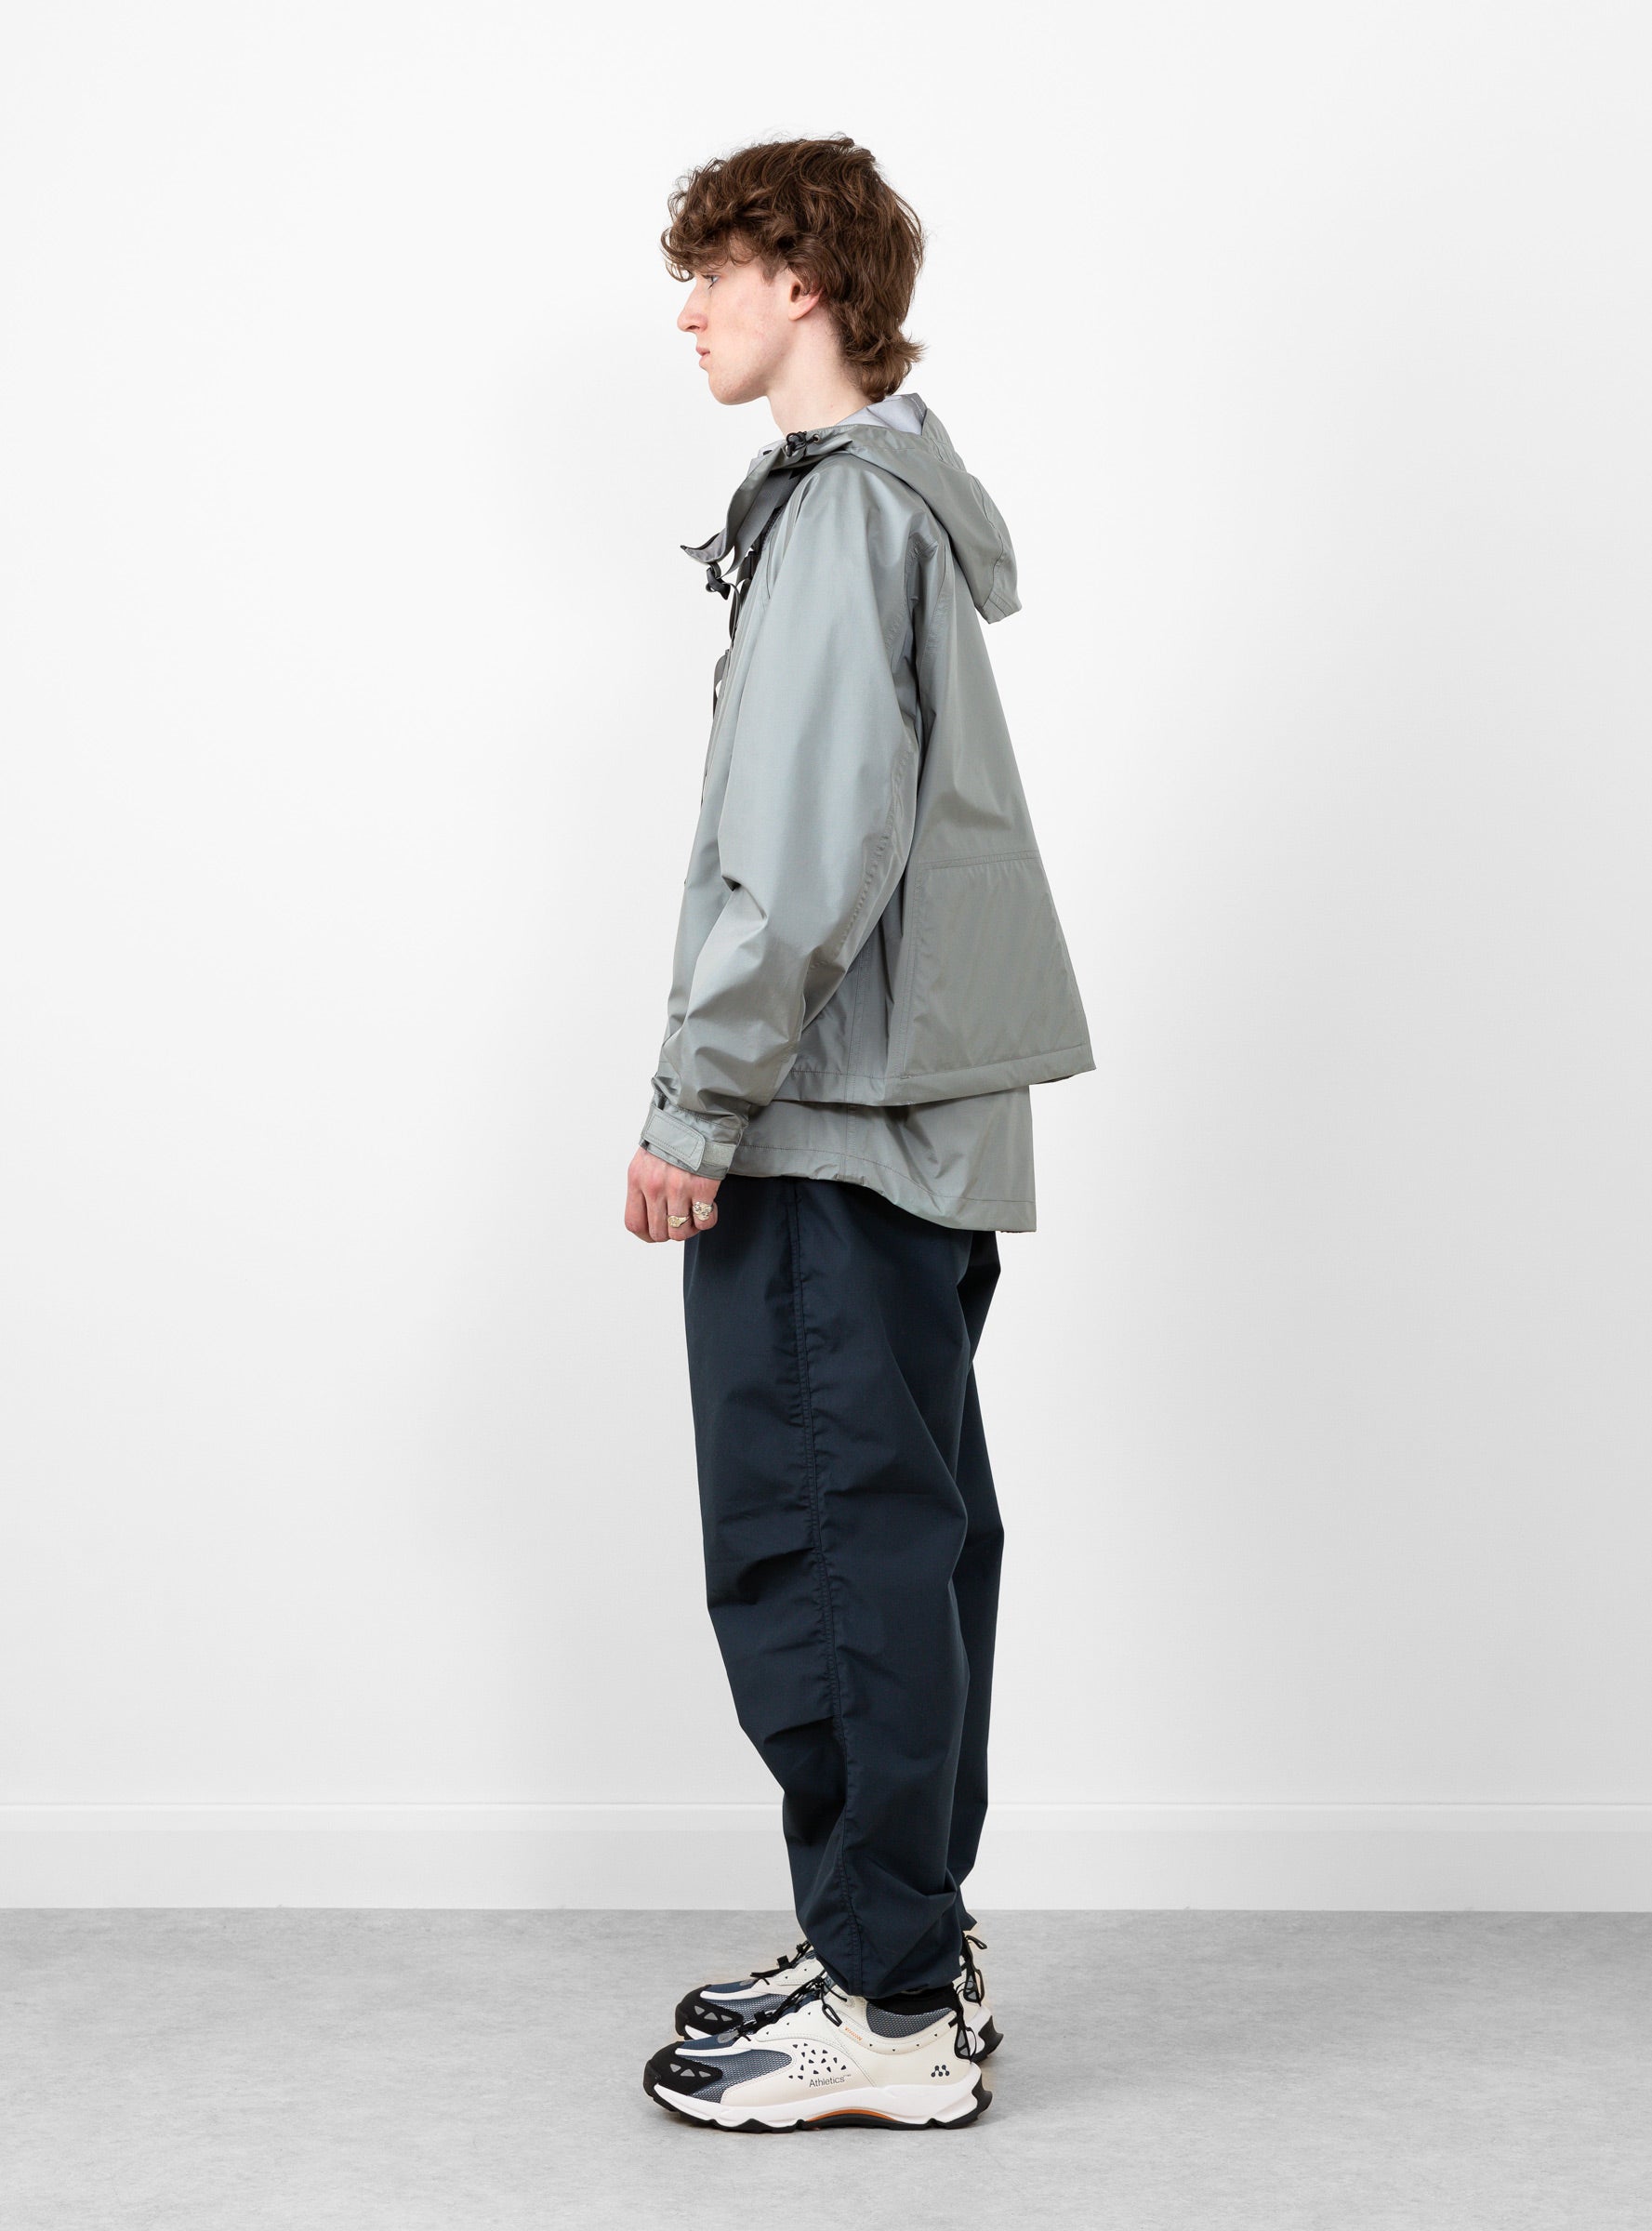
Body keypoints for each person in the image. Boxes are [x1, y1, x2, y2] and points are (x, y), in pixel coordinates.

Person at [625, 135, 1094, 2132]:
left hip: (821, 1127)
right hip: (902, 1123)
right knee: (904, 1542)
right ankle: (893, 1938)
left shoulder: (839, 520)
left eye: (715, 272)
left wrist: (694, 1102)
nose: (689, 310)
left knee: (819, 1548)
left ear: (801, 282)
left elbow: (806, 857)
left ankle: (889, 2011)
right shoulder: (887, 500)